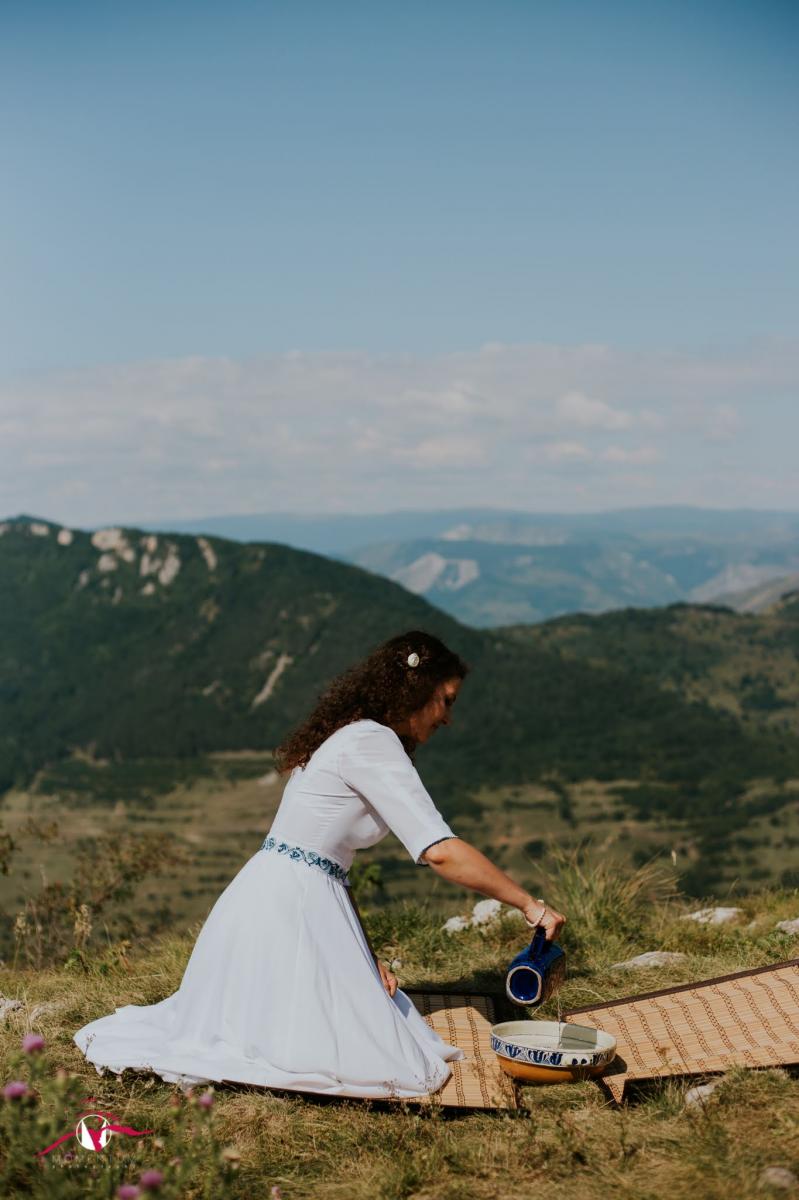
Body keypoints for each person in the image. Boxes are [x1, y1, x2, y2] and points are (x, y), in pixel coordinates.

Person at [73, 629, 565, 1099]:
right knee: (378, 1058)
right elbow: (439, 849)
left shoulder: (354, 736)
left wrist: (363, 955)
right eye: (447, 701)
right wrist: (529, 905)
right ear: (417, 691)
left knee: (362, 1020)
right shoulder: (371, 742)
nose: (448, 718)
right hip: (289, 912)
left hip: (274, 898)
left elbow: (331, 867)